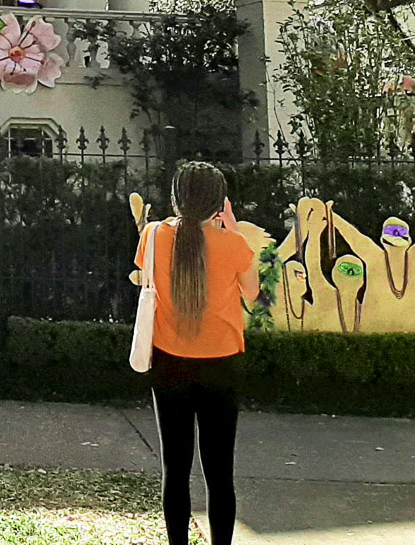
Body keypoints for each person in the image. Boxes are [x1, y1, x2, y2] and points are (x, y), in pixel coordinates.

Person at [136, 160, 260, 545]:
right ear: (219, 202)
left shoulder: (154, 235)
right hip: (222, 364)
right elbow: (253, 294)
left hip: (169, 363)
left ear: (176, 198)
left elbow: (143, 276)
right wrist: (233, 228)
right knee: (220, 472)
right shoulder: (233, 244)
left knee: (175, 469)